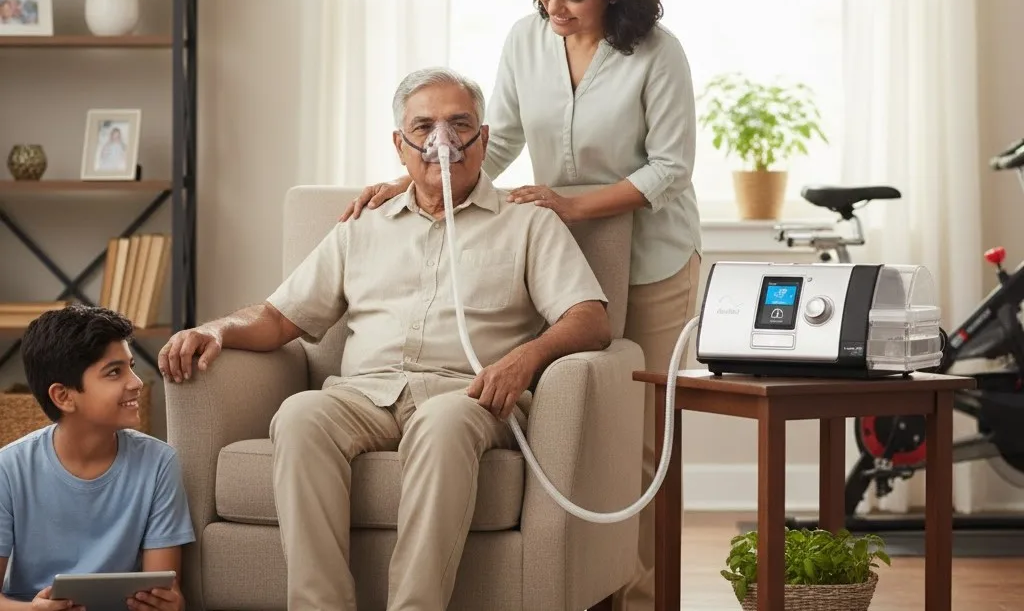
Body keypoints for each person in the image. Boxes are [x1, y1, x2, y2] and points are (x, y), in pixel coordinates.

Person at [339, 0, 702, 611]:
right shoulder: (525, 39)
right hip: (563, 254)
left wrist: (575, 204)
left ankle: (645, 599)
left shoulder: (658, 53)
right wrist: (416, 178)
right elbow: (496, 140)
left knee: (644, 446)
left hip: (652, 260)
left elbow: (671, 170)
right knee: (580, 432)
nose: (554, 8)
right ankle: (585, 584)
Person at [158, 67, 612, 611]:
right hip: (363, 395)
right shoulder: (361, 225)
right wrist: (216, 329)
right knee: (300, 414)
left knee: (443, 425)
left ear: (484, 139)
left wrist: (525, 359)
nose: (441, 141)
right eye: (423, 127)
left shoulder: (528, 223)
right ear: (401, 146)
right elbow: (281, 318)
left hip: (466, 396)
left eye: (458, 124)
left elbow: (590, 317)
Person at [0, 305, 195, 611]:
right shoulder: (8, 469)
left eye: (130, 366)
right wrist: (31, 610)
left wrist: (170, 604)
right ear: (63, 396)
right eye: (114, 372)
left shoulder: (159, 463)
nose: (137, 382)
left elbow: (166, 589)